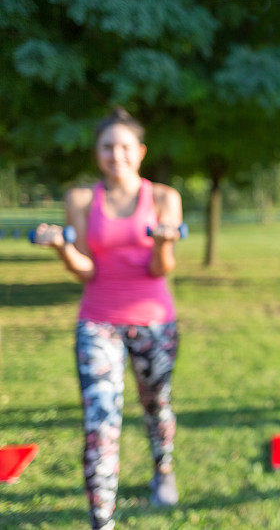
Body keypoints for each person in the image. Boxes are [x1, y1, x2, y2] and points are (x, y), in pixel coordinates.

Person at [33, 108, 184, 530]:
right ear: (97, 153)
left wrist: (163, 242)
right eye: (107, 147)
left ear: (140, 152)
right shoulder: (82, 198)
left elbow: (161, 269)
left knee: (156, 405)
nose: (116, 154)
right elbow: (86, 269)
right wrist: (62, 247)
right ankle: (102, 521)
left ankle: (163, 468)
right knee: (100, 421)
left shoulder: (163, 198)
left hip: (155, 320)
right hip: (98, 320)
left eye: (124, 146)